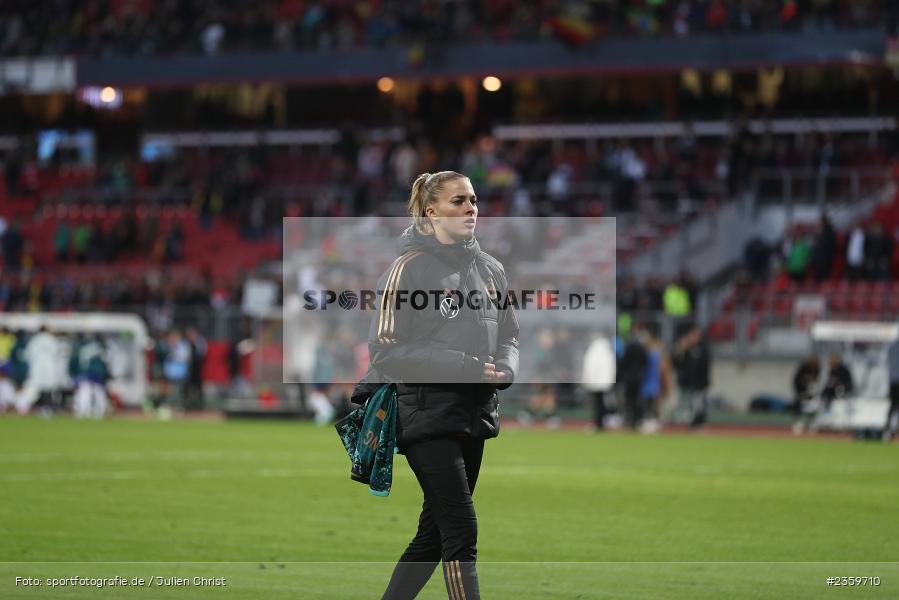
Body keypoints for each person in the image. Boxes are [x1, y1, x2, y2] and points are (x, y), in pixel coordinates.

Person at [372, 171, 519, 600]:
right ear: (431, 211)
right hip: (424, 412)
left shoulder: (492, 269)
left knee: (433, 535)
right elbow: (385, 349)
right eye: (458, 201)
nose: (470, 208)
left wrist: (505, 370)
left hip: (473, 413)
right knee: (461, 529)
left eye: (473, 200)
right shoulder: (407, 269)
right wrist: (467, 365)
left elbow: (510, 333)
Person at [671, 323, 711, 428]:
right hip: (685, 382)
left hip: (699, 383)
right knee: (684, 404)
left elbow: (704, 367)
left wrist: (703, 382)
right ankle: (683, 424)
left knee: (698, 405)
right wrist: (680, 350)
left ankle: (698, 423)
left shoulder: (703, 349)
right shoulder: (685, 349)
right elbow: (676, 364)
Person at [581, 329, 616, 431]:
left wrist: (587, 380)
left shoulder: (593, 351)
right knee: (600, 403)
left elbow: (589, 367)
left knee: (597, 403)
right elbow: (611, 368)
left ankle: (598, 423)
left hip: (595, 383)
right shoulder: (607, 350)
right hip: (603, 383)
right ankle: (600, 423)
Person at [885, 338, 899, 442]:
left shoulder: (891, 346)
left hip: (892, 380)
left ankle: (888, 430)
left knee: (893, 405)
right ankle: (894, 430)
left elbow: (887, 361)